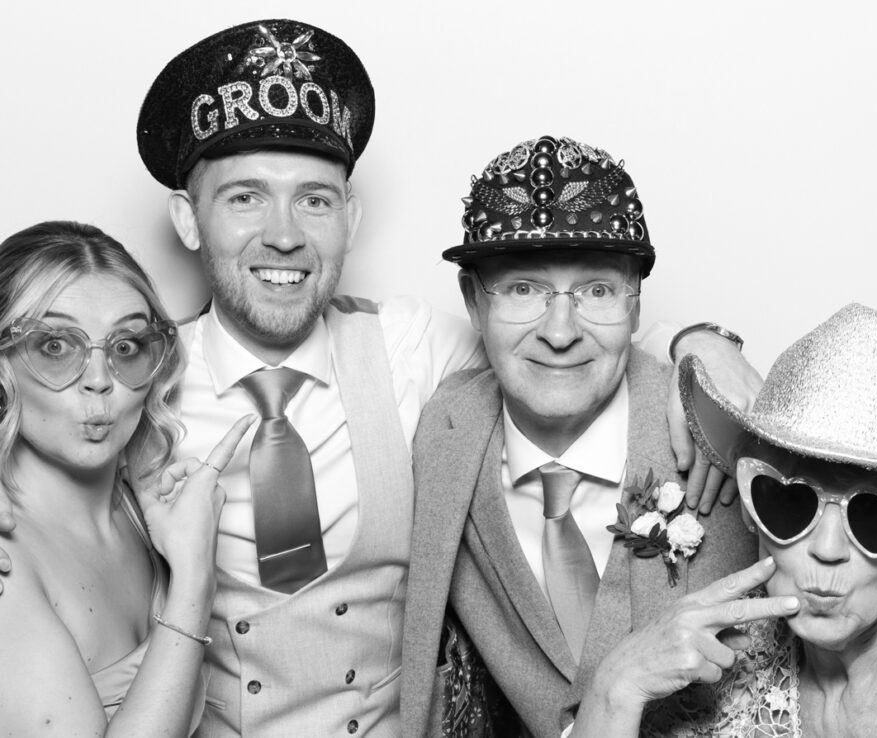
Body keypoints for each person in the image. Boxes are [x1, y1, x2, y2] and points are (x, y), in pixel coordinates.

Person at [0, 20, 759, 736]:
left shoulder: (410, 345)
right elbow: (44, 412)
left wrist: (697, 342)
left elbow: (550, 336)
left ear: (351, 221)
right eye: (245, 198)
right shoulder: (139, 380)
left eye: (316, 200)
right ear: (188, 220)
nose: (286, 234)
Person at [401, 136, 800, 737]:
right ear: (472, 303)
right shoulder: (440, 428)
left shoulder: (718, 430)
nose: (560, 331)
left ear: (635, 306)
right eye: (523, 289)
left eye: (597, 291)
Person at [599, 302, 877, 736]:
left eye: (876, 514)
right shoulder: (725, 669)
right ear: (750, 509)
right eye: (789, 503)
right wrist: (614, 689)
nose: (826, 550)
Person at [0, 221, 252, 736]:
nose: (99, 380)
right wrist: (194, 582)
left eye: (126, 346)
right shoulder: (6, 564)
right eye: (54, 346)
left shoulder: (147, 508)